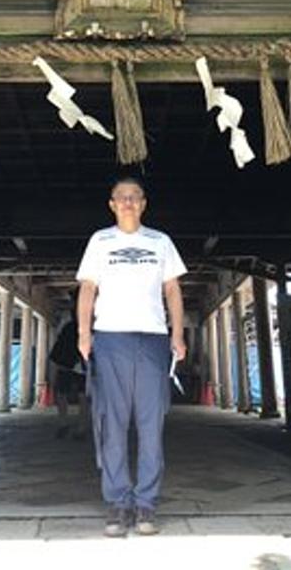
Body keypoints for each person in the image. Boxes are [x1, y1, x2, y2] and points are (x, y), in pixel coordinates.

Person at [76, 176, 187, 537]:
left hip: (153, 339)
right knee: (113, 423)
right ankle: (118, 502)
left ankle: (146, 504)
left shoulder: (160, 241)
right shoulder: (100, 240)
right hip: (111, 337)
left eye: (134, 197)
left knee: (151, 425)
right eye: (121, 197)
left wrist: (177, 334)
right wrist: (84, 333)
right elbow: (87, 289)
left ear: (143, 204)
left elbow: (172, 289)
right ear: (112, 204)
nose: (127, 202)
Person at [49, 305, 88, 439]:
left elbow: (58, 349)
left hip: (66, 366)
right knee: (83, 396)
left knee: (62, 395)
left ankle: (63, 424)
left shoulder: (67, 328)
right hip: (81, 367)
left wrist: (56, 368)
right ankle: (81, 427)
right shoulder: (87, 328)